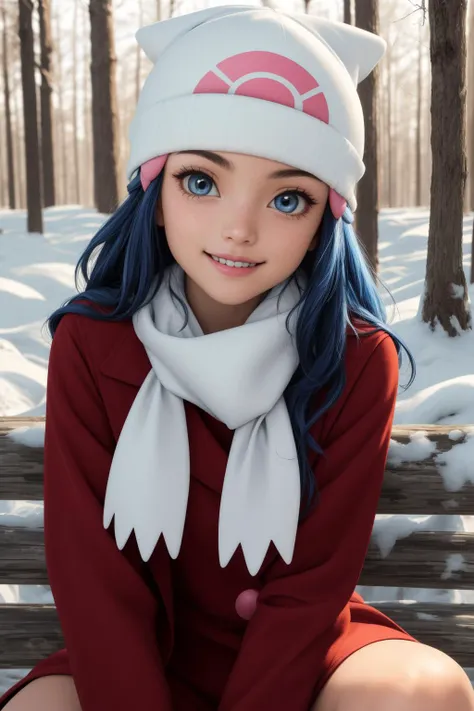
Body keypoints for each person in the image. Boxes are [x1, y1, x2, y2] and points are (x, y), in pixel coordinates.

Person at [2, 5, 473, 711]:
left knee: (417, 692)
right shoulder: (94, 345)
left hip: (302, 654)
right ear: (154, 192)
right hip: (136, 654)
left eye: (289, 197)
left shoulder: (353, 358)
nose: (240, 227)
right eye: (201, 180)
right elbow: (96, 580)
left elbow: (311, 585)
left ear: (325, 221)